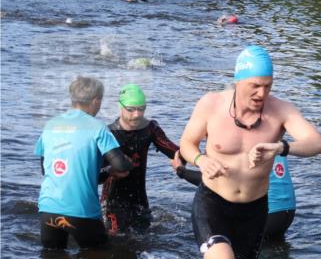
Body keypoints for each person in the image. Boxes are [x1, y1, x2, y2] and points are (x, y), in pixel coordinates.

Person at [179, 46, 321, 259]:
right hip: (213, 201)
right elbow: (187, 143)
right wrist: (201, 160)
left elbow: (318, 143)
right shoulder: (211, 104)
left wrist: (281, 147)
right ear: (238, 81)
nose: (262, 93)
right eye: (255, 86)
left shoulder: (280, 110)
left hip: (254, 208)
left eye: (268, 86)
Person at [35, 77, 133, 249]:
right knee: (99, 258)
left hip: (48, 209)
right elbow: (121, 165)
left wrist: (105, 173)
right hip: (81, 212)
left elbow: (46, 170)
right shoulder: (97, 127)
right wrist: (126, 164)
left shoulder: (50, 125)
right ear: (96, 100)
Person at [100, 84, 185, 234]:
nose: (137, 114)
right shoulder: (108, 133)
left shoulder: (150, 129)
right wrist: (110, 171)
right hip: (113, 202)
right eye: (131, 109)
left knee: (145, 239)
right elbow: (92, 174)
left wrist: (190, 159)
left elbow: (174, 151)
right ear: (120, 107)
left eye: (141, 109)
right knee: (115, 241)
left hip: (139, 200)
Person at [175, 153, 296, 242]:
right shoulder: (270, 138)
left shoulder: (240, 146)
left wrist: (181, 171)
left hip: (267, 214)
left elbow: (215, 182)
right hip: (287, 212)